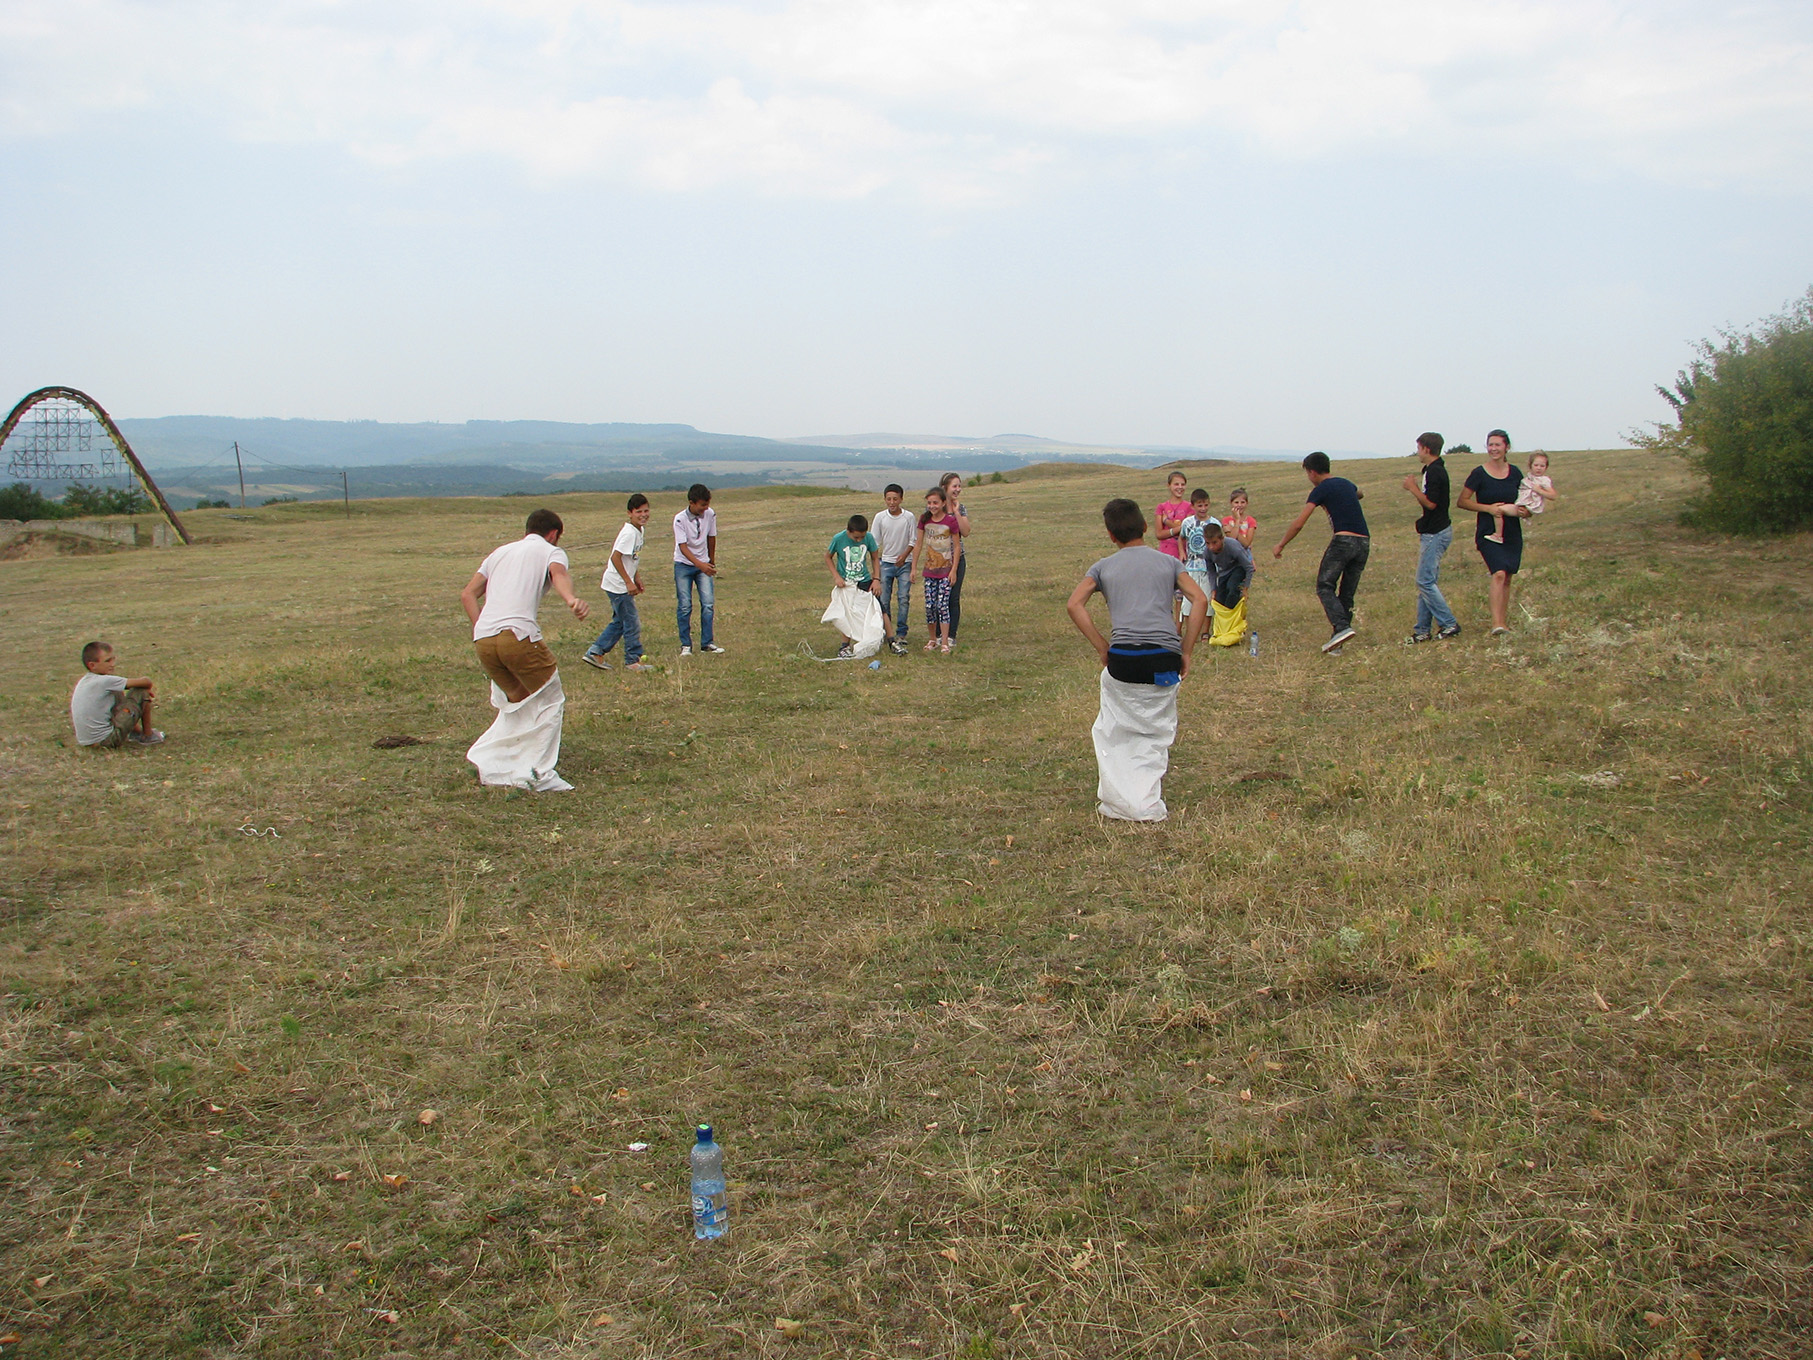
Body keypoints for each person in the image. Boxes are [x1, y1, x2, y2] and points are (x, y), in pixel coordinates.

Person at [1065, 498, 1208, 821]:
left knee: (1115, 725)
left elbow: (1075, 605)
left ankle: (1120, 797)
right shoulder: (1169, 564)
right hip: (1164, 659)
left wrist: (1103, 647)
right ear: (1145, 527)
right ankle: (1146, 797)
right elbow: (1198, 599)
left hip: (1124, 660)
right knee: (1154, 729)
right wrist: (1185, 650)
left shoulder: (1102, 567)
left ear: (1110, 535)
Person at [460, 508, 590, 792]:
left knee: (520, 702)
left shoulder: (499, 552)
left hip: (483, 640)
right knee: (550, 700)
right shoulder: (551, 551)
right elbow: (558, 574)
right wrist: (571, 599)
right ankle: (538, 772)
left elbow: (467, 593)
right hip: (518, 636)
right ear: (554, 534)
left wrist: (481, 626)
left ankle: (504, 764)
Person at [1273, 452, 1370, 654]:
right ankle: (1338, 642)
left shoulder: (1320, 489)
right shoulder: (1345, 483)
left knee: (1324, 586)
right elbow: (1359, 493)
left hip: (1344, 540)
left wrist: (1281, 544)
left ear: (1313, 472)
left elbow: (1299, 523)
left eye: (1308, 474)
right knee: (1347, 593)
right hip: (1364, 542)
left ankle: (1342, 628)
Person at [1457, 430, 1529, 636]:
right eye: (1490, 445)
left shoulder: (1515, 472)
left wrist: (1526, 511)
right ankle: (1496, 624)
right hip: (1489, 532)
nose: (1493, 449)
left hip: (1512, 531)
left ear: (1507, 447)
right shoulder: (1478, 473)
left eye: (1498, 445)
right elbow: (1463, 501)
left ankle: (1503, 622)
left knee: (1507, 576)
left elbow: (1525, 499)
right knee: (1498, 573)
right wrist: (1488, 508)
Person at [583, 494, 656, 672]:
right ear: (629, 513)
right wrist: (627, 582)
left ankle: (596, 651)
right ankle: (632, 660)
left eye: (646, 510)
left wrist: (636, 578)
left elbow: (631, 558)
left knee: (620, 621)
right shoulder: (629, 533)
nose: (643, 514)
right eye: (638, 511)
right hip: (617, 585)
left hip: (620, 583)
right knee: (631, 622)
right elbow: (616, 557)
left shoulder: (639, 530)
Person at [1402, 433, 1461, 643]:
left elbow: (1431, 503)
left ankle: (1448, 623)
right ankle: (1422, 630)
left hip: (1436, 532)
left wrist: (1413, 488)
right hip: (1433, 530)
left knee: (1425, 581)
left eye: (1418, 448)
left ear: (1426, 448)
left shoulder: (1436, 472)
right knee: (1426, 582)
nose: (1417, 452)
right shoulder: (1431, 470)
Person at [70, 641, 164, 747]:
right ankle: (148, 735)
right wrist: (145, 687)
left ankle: (136, 732)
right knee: (141, 692)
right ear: (92, 665)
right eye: (107, 661)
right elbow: (146, 682)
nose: (112, 664)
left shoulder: (85, 681)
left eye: (113, 659)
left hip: (87, 742)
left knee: (117, 691)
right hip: (106, 740)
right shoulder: (104, 681)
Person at [673, 483, 724, 656]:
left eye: (707, 505)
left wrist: (710, 561)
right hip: (683, 565)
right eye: (702, 505)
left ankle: (707, 643)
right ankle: (685, 645)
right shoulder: (679, 519)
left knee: (708, 604)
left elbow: (711, 536)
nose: (705, 508)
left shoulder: (710, 514)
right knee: (685, 605)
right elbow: (683, 547)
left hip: (703, 563)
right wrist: (699, 564)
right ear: (692, 503)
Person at [825, 513, 880, 658]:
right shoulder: (838, 539)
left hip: (864, 580)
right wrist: (836, 576)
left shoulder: (868, 538)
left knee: (874, 610)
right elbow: (827, 557)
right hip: (846, 583)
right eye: (856, 537)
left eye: (862, 537)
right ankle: (844, 646)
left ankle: (887, 640)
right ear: (848, 531)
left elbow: (875, 557)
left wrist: (876, 579)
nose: (859, 540)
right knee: (846, 613)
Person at [915, 487, 962, 654]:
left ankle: (944, 642)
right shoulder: (924, 520)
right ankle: (932, 639)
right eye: (929, 503)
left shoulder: (950, 521)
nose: (932, 506)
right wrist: (914, 567)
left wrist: (954, 570)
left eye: (935, 502)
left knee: (943, 606)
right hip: (929, 570)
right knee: (930, 606)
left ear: (943, 503)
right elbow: (919, 544)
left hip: (946, 570)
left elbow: (956, 546)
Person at [874, 483, 917, 656]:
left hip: (904, 563)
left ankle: (901, 633)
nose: (892, 502)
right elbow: (874, 543)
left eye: (895, 499)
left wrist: (904, 556)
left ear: (901, 499)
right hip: (886, 563)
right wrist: (876, 566)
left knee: (903, 597)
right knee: (884, 599)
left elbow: (913, 540)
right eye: (889, 499)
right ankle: (886, 631)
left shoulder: (909, 517)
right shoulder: (880, 518)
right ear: (885, 499)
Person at [1202, 521, 1254, 647]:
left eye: (1215, 542)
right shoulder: (1207, 552)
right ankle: (1224, 631)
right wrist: (1213, 589)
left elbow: (1249, 567)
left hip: (1238, 568)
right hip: (1224, 573)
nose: (1211, 547)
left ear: (1222, 539)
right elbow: (1211, 571)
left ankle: (1234, 629)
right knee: (1220, 600)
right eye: (1208, 543)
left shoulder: (1233, 547)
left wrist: (1245, 588)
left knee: (1232, 591)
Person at [1487, 451, 1559, 542]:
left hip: (1528, 506)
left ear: (1546, 467)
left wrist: (1539, 490)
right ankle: (1499, 534)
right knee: (1498, 509)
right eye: (1536, 465)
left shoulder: (1544, 480)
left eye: (1542, 466)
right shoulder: (1528, 478)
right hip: (1521, 505)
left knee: (1498, 510)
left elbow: (1553, 496)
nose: (1539, 468)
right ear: (1530, 466)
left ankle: (1498, 535)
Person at [938, 472, 974, 644]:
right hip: (939, 559)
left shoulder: (961, 507)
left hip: (958, 558)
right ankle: (938, 635)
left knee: (953, 597)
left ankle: (951, 636)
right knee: (939, 597)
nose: (958, 489)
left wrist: (957, 512)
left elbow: (966, 532)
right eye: (954, 486)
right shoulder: (935, 506)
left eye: (959, 486)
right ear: (945, 487)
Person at [1177, 489, 1219, 624]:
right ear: (1193, 506)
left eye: (1206, 505)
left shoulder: (1214, 523)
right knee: (1188, 600)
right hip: (1191, 566)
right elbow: (1181, 538)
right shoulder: (1187, 523)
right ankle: (1190, 628)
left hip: (1208, 567)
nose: (1203, 508)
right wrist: (1182, 552)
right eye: (1200, 505)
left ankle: (1205, 631)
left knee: (1207, 599)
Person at [1153, 471, 1192, 562]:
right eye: (1176, 484)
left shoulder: (1190, 507)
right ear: (1169, 485)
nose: (1180, 487)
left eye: (1183, 484)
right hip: (1166, 553)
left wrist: (1167, 522)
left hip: (1185, 553)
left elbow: (1187, 530)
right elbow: (1159, 534)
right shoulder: (1161, 507)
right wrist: (1178, 529)